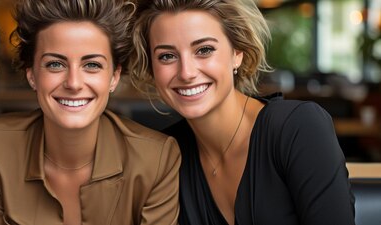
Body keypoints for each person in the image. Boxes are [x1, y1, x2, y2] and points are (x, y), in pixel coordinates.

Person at [129, 0, 355, 224]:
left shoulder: (298, 128)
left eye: (204, 50)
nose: (186, 72)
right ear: (152, 68)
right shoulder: (166, 155)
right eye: (167, 56)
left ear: (237, 53)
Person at [0, 0, 181, 224]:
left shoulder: (156, 159)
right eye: (55, 64)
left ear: (114, 76)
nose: (73, 83)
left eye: (92, 65)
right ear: (31, 75)